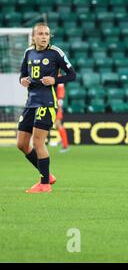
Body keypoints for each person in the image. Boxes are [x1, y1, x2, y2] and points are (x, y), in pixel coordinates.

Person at [17, 22, 76, 193]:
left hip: (47, 102)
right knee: (21, 144)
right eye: (41, 34)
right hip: (31, 103)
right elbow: (22, 74)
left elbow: (72, 75)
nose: (44, 37)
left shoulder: (56, 53)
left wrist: (55, 80)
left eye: (47, 34)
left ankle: (44, 184)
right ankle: (47, 175)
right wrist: (23, 80)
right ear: (33, 37)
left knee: (37, 142)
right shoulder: (28, 52)